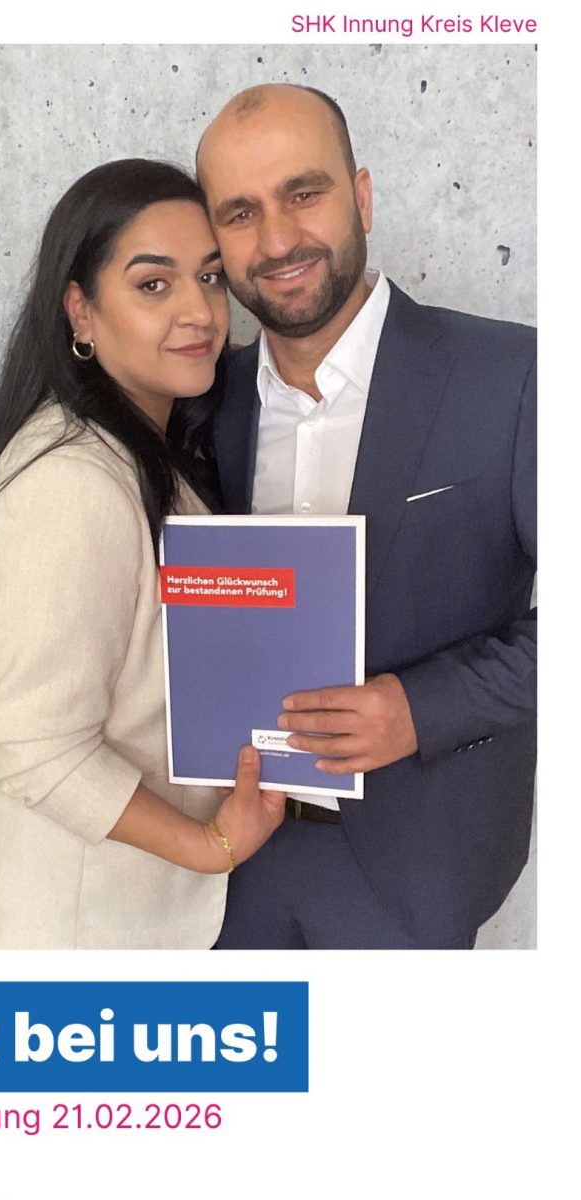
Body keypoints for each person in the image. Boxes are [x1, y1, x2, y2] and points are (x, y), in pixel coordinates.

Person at [196, 85, 536, 950]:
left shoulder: (514, 376)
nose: (277, 240)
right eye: (241, 212)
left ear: (362, 197)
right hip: (226, 862)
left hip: (417, 866)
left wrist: (421, 707)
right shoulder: (198, 400)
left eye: (303, 193)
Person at [0, 159, 285, 950]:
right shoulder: (70, 481)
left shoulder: (141, 448)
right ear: (81, 310)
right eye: (153, 284)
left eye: (210, 277)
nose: (200, 311)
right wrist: (213, 845)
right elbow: (36, 746)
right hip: (79, 923)